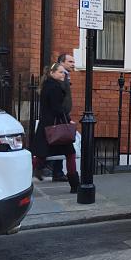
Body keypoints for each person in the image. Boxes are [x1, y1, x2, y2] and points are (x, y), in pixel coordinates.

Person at [31, 63, 80, 193]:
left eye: (63, 72)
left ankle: (22, 176)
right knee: (70, 154)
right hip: (56, 127)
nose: (63, 74)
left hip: (46, 127)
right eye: (60, 72)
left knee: (41, 155)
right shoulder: (54, 87)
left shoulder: (47, 85)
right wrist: (68, 120)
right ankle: (75, 185)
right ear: (52, 73)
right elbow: (58, 108)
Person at [50, 53, 75, 182]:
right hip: (60, 117)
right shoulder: (60, 77)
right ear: (62, 62)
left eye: (73, 61)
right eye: (70, 61)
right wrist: (66, 117)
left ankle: (58, 172)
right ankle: (72, 179)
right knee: (67, 148)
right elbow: (58, 100)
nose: (73, 64)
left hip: (62, 116)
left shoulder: (65, 76)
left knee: (59, 144)